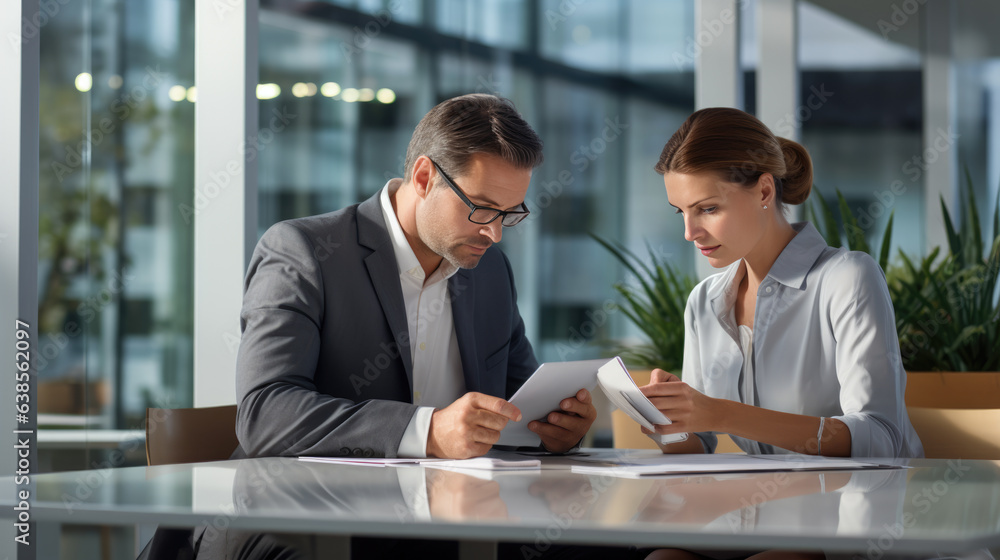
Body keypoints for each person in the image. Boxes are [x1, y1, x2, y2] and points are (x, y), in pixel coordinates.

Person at [232, 93, 596, 460]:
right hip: (311, 493)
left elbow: (520, 408)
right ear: (424, 178)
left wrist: (554, 431)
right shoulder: (304, 252)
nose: (495, 233)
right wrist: (427, 431)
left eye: (508, 213)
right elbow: (265, 414)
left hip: (456, 493)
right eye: (482, 209)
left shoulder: (491, 271)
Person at [637, 107, 924, 559]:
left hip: (855, 523)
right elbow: (700, 446)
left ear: (765, 190)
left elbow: (880, 438)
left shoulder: (846, 277)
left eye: (708, 209)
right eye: (682, 212)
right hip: (758, 519)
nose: (690, 232)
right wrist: (669, 423)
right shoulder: (705, 301)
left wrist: (722, 414)